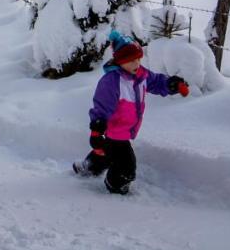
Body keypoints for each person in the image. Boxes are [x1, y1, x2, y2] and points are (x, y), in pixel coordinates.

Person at [73, 30, 189, 195]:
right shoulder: (112, 82)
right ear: (120, 61)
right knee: (126, 165)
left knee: (106, 151)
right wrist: (97, 131)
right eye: (131, 60)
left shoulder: (141, 75)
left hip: (124, 130)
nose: (136, 63)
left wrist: (171, 85)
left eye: (138, 59)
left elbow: (156, 82)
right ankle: (116, 184)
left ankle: (87, 167)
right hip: (114, 131)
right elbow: (101, 107)